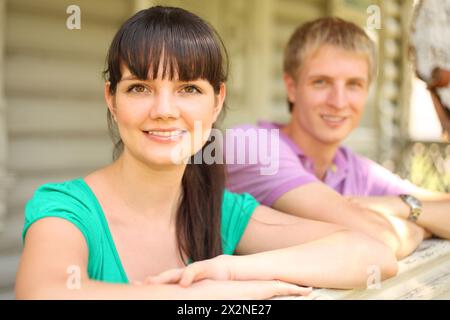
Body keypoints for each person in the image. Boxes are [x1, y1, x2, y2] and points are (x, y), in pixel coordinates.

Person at [14, 7, 397, 300]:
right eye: (140, 88)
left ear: (217, 102)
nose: (164, 109)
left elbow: (371, 253)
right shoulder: (68, 209)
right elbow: (46, 292)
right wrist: (200, 295)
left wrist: (232, 272)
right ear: (111, 100)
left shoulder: (223, 213)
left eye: (189, 89)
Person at [225, 17, 450, 261]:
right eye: (321, 82)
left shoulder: (354, 167)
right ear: (291, 87)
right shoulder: (251, 146)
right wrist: (420, 227)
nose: (339, 102)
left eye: (353, 84)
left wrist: (401, 206)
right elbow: (379, 239)